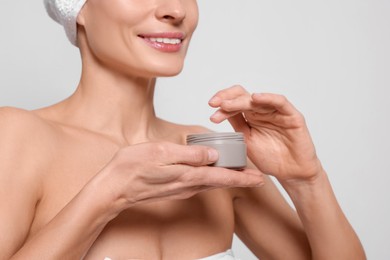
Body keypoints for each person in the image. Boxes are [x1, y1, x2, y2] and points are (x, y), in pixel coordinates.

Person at [0, 0, 366, 259]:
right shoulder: (19, 136)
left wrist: (307, 180)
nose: (176, 9)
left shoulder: (213, 155)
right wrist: (107, 194)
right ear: (78, 8)